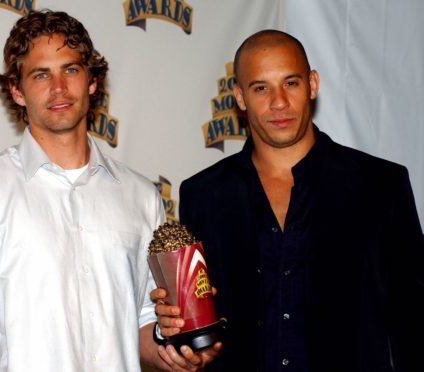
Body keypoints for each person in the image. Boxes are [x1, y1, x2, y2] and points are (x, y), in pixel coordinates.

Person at [0, 10, 217, 372]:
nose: (59, 88)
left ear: (92, 81)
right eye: (41, 75)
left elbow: (143, 326)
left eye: (70, 69)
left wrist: (177, 354)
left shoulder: (141, 196)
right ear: (17, 91)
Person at [152, 30, 424, 371]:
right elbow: (204, 320)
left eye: (291, 83)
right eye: (261, 88)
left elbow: (413, 319)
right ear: (239, 96)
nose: (278, 102)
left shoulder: (379, 185)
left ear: (312, 84)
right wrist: (176, 330)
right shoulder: (203, 194)